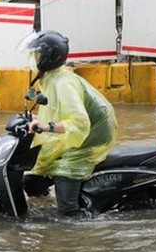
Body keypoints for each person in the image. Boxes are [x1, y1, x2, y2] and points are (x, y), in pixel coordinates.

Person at [19, 30, 118, 217]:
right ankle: (47, 205)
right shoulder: (50, 77)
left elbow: (80, 123)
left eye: (37, 54)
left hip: (89, 139)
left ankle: (76, 223)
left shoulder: (63, 82)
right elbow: (55, 109)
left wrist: (46, 127)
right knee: (30, 181)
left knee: (66, 210)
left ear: (48, 57)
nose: (33, 58)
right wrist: (35, 121)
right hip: (75, 137)